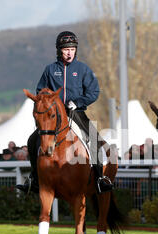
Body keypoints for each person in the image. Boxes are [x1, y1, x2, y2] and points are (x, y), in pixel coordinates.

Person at [16, 31, 113, 194]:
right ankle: (34, 179)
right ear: (59, 50)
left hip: (77, 112)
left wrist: (78, 102)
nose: (69, 52)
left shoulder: (83, 69)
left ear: (76, 50)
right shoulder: (50, 70)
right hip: (54, 116)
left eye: (72, 49)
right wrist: (48, 101)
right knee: (33, 140)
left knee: (95, 139)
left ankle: (99, 179)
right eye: (66, 49)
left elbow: (93, 92)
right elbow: (40, 91)